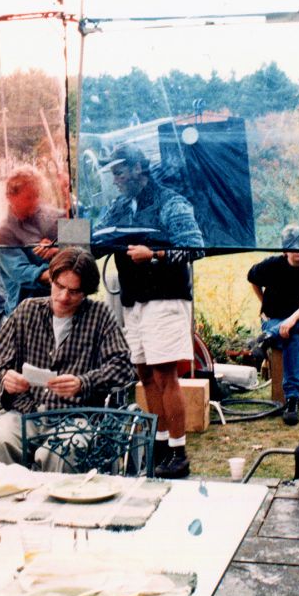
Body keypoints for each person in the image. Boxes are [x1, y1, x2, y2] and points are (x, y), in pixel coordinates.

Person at [98, 144, 204, 479]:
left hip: (165, 299)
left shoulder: (171, 202)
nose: (114, 179)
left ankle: (179, 452)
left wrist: (155, 254)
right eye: (112, 172)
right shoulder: (118, 206)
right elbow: (96, 236)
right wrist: (60, 243)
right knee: (144, 376)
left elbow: (195, 247)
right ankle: (158, 445)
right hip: (134, 302)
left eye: (119, 171)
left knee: (164, 375)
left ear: (139, 168)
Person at [0, 248, 134, 468]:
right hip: (23, 412)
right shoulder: (27, 311)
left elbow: (123, 367)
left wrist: (84, 383)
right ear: (51, 279)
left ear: (87, 292)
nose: (63, 297)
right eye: (59, 286)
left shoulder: (100, 315)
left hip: (75, 417)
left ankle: (54, 502)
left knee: (61, 454)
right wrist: (6, 379)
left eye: (74, 291)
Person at [247, 224, 299, 426]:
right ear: (285, 250)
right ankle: (292, 399)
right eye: (293, 248)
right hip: (274, 320)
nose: (298, 252)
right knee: (292, 338)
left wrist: (292, 320)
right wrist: (263, 304)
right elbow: (252, 277)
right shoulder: (272, 265)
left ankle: (266, 339)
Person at [0, 165, 61, 316]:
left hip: (62, 307)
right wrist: (60, 275)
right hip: (27, 314)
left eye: (37, 195)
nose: (35, 202)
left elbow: (82, 248)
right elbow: (22, 274)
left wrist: (57, 250)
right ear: (10, 197)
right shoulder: (3, 233)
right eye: (29, 197)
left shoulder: (53, 216)